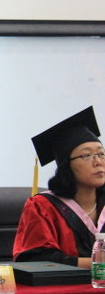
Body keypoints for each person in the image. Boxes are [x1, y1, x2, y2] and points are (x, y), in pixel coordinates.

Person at [13, 106, 105, 268]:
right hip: (66, 283)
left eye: (101, 154)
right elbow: (35, 260)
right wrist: (97, 264)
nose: (98, 162)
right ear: (66, 165)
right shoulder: (43, 206)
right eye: (87, 155)